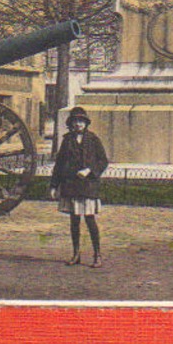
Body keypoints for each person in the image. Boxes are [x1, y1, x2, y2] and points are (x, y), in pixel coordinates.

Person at [52, 106, 110, 267]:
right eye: (75, 121)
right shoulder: (67, 140)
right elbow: (59, 164)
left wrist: (90, 171)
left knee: (90, 220)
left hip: (88, 186)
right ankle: (76, 254)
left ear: (86, 123)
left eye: (81, 121)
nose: (78, 124)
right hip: (70, 186)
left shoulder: (93, 139)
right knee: (74, 221)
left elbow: (103, 161)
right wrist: (54, 185)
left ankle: (97, 255)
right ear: (71, 124)